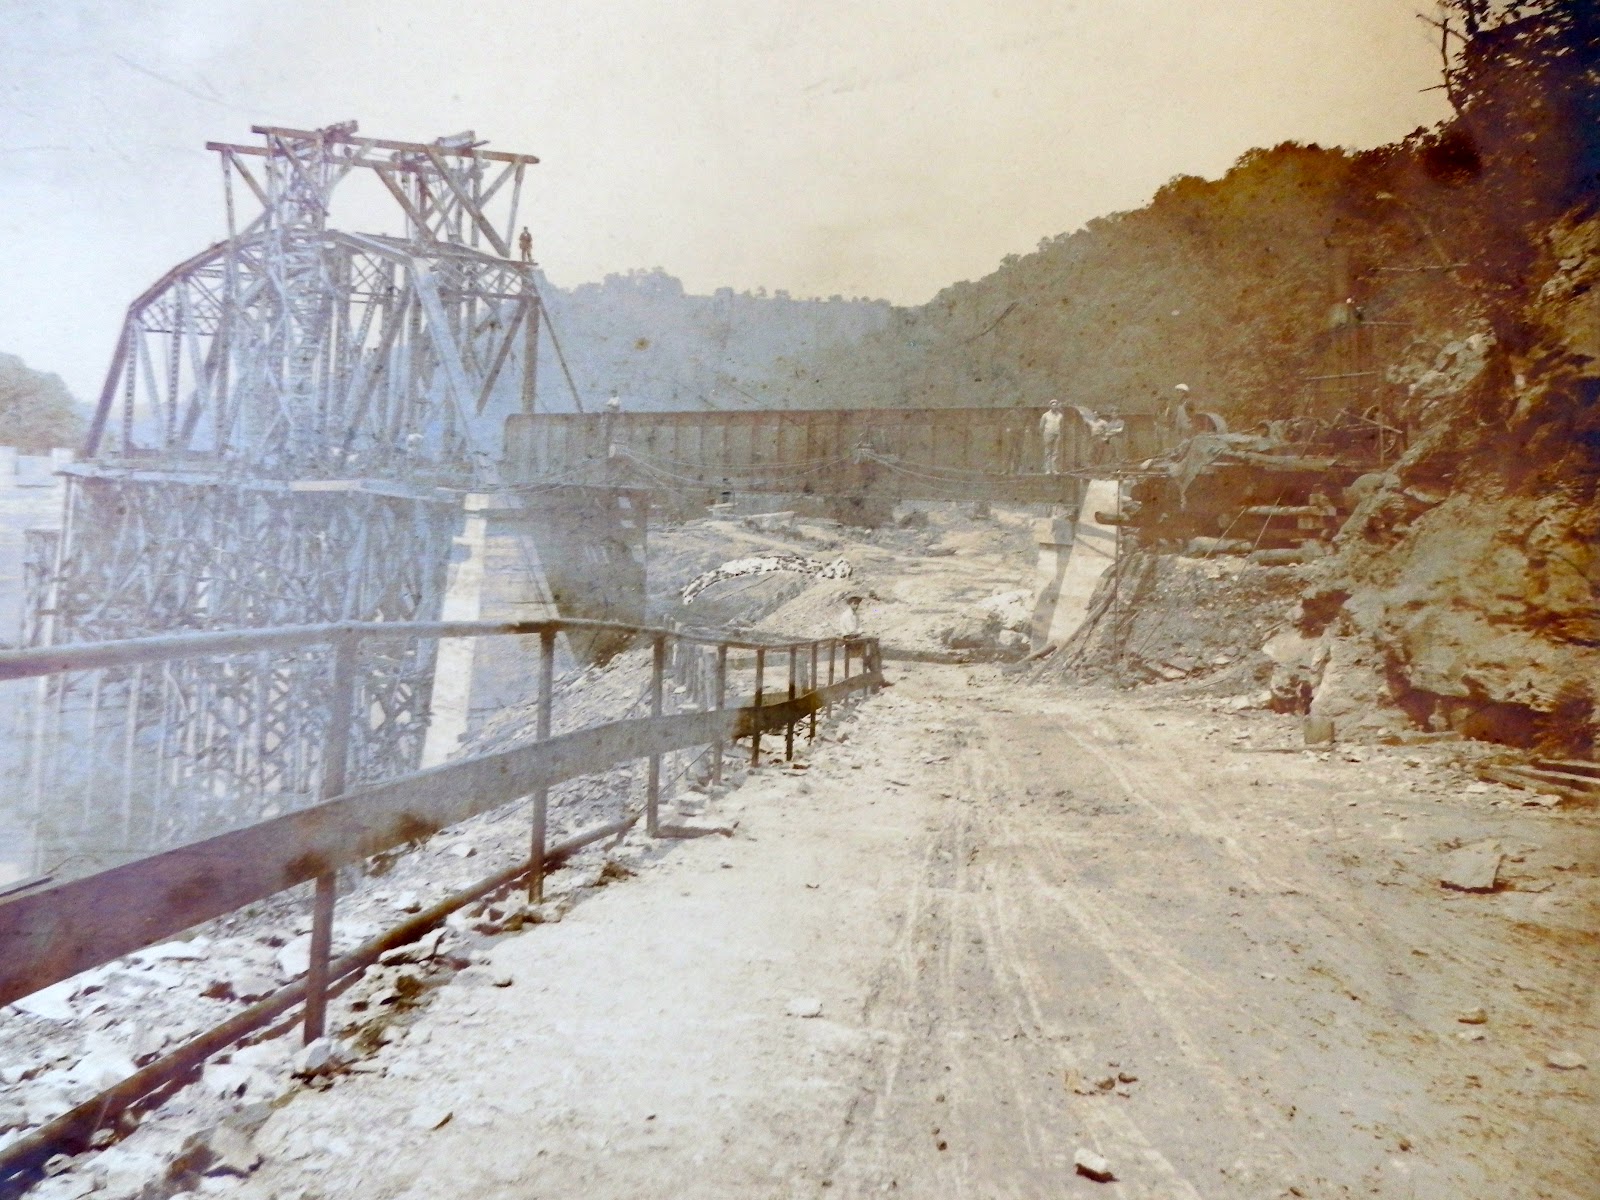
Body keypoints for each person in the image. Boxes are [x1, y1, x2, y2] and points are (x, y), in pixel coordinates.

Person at [1039, 399, 1065, 474]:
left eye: (1056, 405)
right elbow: (1041, 426)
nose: (1054, 407)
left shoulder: (1060, 415)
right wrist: (1044, 434)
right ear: (1050, 406)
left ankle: (1054, 469)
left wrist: (1060, 433)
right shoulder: (1045, 415)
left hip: (1057, 434)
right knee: (1048, 452)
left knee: (1055, 452)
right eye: (1052, 405)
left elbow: (1062, 426)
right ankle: (1047, 469)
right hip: (1048, 434)